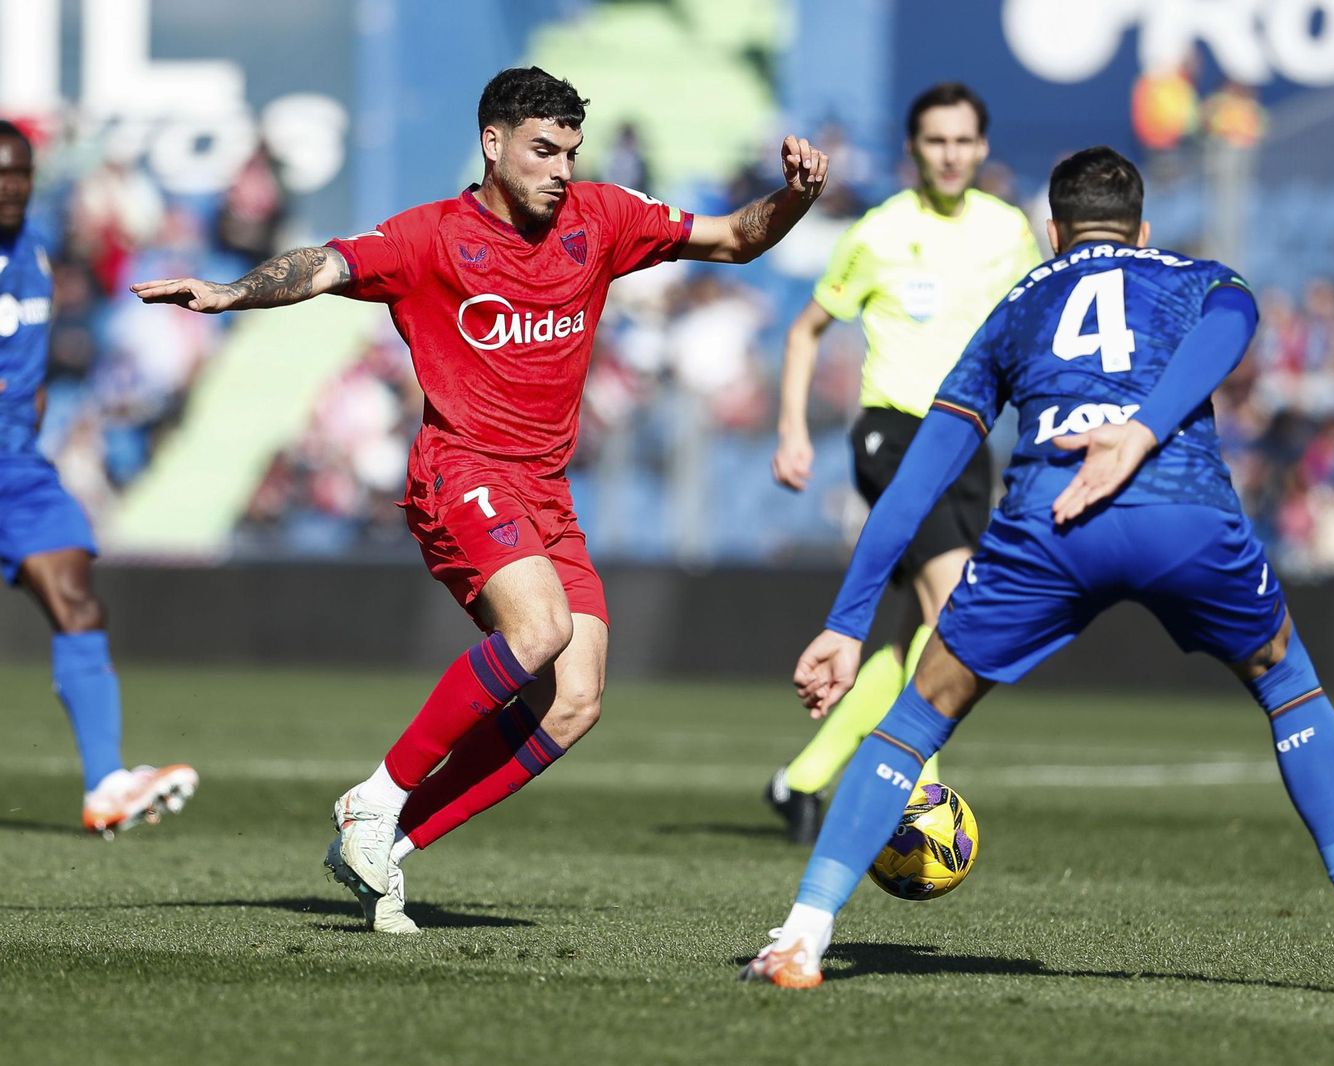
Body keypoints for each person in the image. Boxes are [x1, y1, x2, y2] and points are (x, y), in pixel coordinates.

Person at [741, 147, 1334, 989]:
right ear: (1143, 230)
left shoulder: (1017, 302)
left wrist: (847, 621)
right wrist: (1142, 428)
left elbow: (919, 477)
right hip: (1179, 510)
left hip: (1051, 522)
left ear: (1054, 234)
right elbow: (1236, 320)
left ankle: (801, 938)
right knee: (1287, 684)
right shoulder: (1196, 275)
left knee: (914, 719)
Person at [132, 67, 828, 933]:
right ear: (493, 145)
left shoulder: (602, 217)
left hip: (546, 490)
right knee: (540, 632)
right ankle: (375, 797)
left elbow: (734, 239)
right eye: (543, 151)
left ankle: (385, 845)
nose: (561, 170)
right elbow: (324, 265)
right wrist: (233, 293)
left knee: (575, 702)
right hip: (459, 470)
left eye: (570, 152)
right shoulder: (429, 238)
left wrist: (794, 199)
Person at [765, 83, 1039, 843]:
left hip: (971, 446)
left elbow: (1031, 332)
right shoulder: (880, 231)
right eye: (936, 141)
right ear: (913, 149)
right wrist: (791, 429)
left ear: (982, 148)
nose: (950, 154)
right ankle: (918, 799)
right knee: (952, 613)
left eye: (962, 140)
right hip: (893, 435)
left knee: (913, 634)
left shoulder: (1010, 232)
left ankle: (802, 780)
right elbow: (804, 329)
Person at [0, 120, 198, 837]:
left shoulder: (34, 248)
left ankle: (106, 784)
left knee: (77, 602)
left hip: (18, 466)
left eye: (20, 173)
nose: (11, 187)